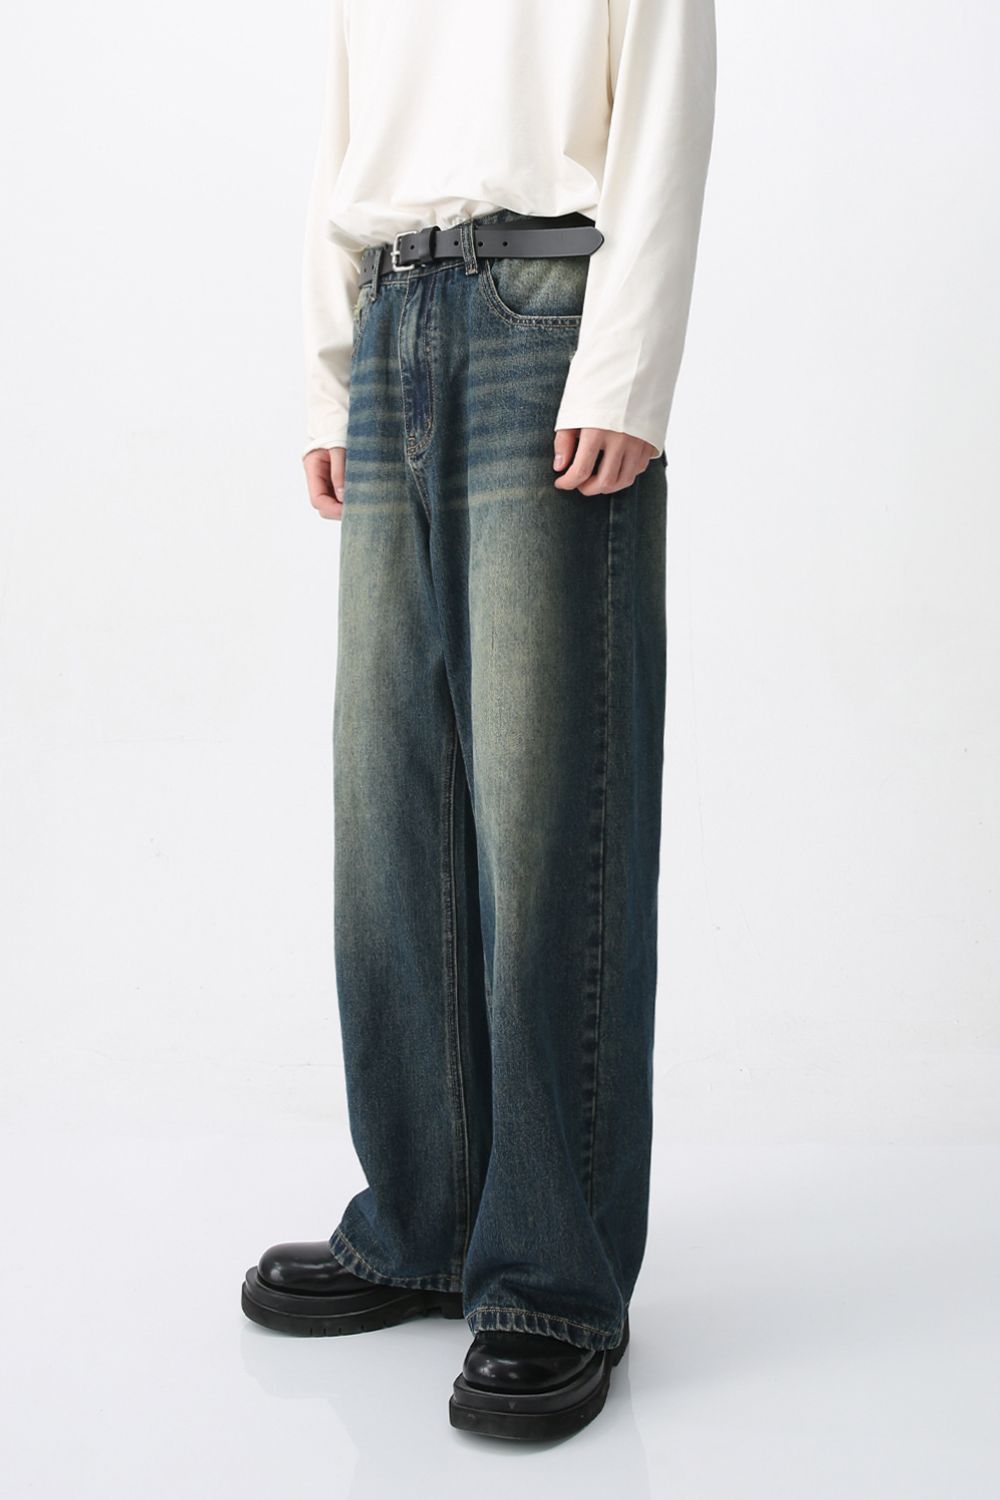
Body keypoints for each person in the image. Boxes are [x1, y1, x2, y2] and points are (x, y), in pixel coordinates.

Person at [241, 0, 716, 1442]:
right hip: (393, 312)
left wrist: (627, 365)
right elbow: (345, 131)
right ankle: (424, 1222)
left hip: (546, 313)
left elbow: (666, 110)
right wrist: (328, 377)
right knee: (389, 803)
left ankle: (553, 1283)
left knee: (545, 806)